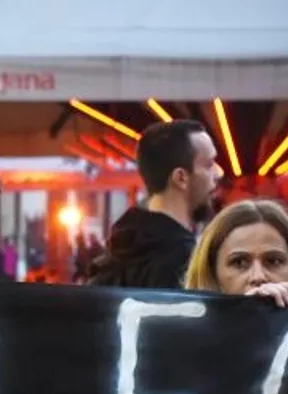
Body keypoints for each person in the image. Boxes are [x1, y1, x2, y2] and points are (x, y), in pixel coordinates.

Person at [89, 119, 222, 289]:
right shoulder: (183, 259)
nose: (217, 174)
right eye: (209, 165)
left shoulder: (117, 251)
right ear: (181, 177)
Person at [183, 198, 288, 307]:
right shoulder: (182, 337)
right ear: (212, 272)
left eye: (273, 261)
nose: (258, 277)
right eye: (239, 262)